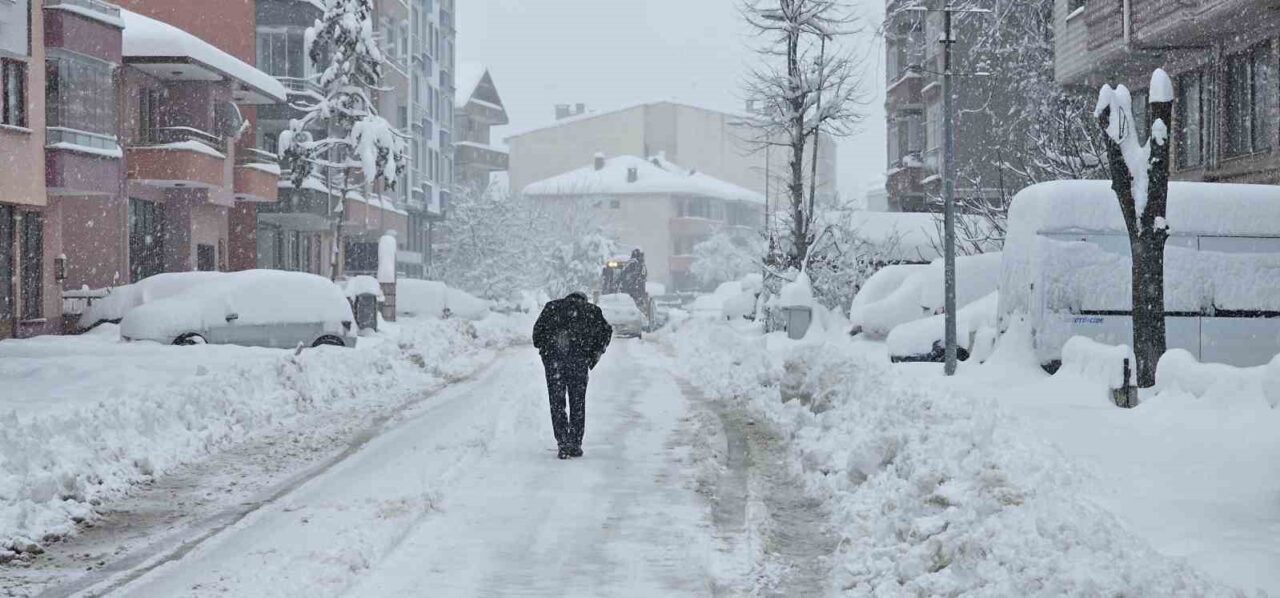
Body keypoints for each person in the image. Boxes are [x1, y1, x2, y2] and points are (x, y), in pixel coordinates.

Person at [532, 292, 613, 459]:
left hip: (555, 363)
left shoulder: (552, 307)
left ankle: (562, 442)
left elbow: (536, 336)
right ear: (583, 300)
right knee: (578, 403)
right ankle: (575, 443)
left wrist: (547, 352)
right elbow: (606, 332)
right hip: (579, 363)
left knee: (557, 403)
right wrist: (593, 355)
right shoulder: (592, 311)